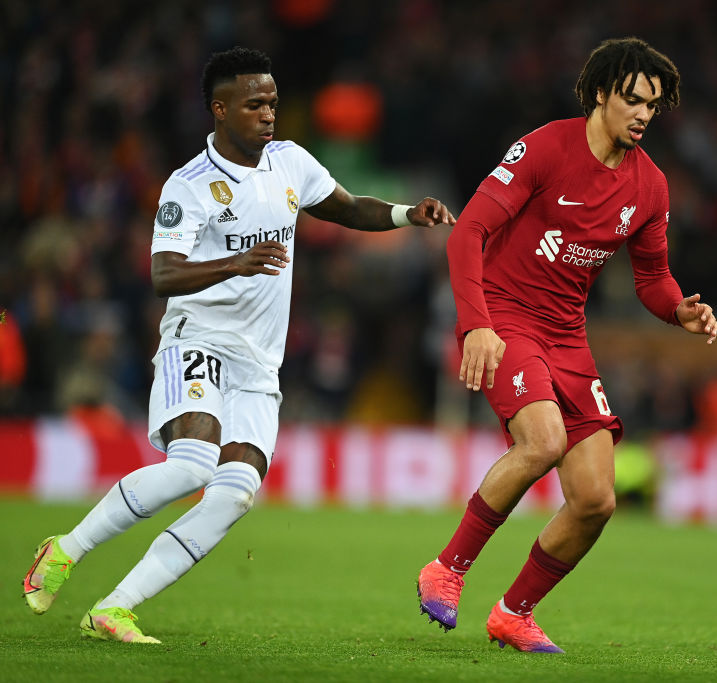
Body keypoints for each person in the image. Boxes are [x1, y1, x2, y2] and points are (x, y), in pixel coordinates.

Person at [22, 46, 455, 643]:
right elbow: (163, 274)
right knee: (192, 466)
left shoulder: (290, 162)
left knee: (235, 493)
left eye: (273, 102)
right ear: (220, 110)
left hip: (260, 363)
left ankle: (114, 608)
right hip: (197, 338)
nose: (269, 113)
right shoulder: (189, 186)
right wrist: (237, 262)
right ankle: (65, 550)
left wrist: (408, 213)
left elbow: (350, 208)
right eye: (255, 105)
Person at [417, 37, 717, 653]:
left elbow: (652, 278)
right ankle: (446, 569)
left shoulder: (650, 186)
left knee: (596, 499)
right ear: (601, 93)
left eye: (653, 105)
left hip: (566, 336)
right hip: (504, 316)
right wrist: (476, 324)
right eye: (632, 100)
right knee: (544, 441)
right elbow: (467, 232)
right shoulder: (545, 148)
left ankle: (514, 614)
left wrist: (678, 309)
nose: (643, 114)